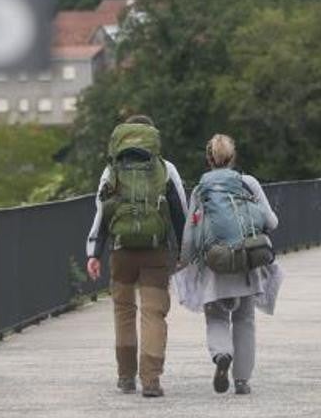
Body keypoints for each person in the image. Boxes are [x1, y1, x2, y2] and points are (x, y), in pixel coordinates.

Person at [86, 115, 187, 398]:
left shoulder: (111, 172)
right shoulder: (166, 169)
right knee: (153, 313)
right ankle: (151, 380)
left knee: (124, 313)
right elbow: (180, 211)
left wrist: (94, 252)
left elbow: (102, 213)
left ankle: (126, 376)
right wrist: (182, 252)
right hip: (155, 252)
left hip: (121, 252)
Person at [173, 134, 282, 395]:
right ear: (233, 157)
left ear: (208, 159)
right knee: (245, 319)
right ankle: (242, 380)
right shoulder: (248, 183)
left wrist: (183, 262)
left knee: (217, 318)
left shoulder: (201, 190)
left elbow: (190, 235)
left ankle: (222, 354)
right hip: (246, 260)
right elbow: (272, 221)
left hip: (215, 264)